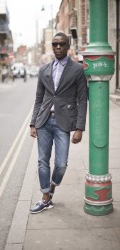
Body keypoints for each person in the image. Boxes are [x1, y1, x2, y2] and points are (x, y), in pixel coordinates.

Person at [29, 32, 88, 214]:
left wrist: (79, 127)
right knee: (42, 161)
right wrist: (33, 123)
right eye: (55, 44)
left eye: (62, 44)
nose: (58, 47)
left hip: (64, 121)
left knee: (61, 164)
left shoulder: (77, 70)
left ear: (68, 46)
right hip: (44, 121)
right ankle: (45, 197)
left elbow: (82, 99)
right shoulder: (44, 69)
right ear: (52, 47)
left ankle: (52, 187)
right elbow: (39, 98)